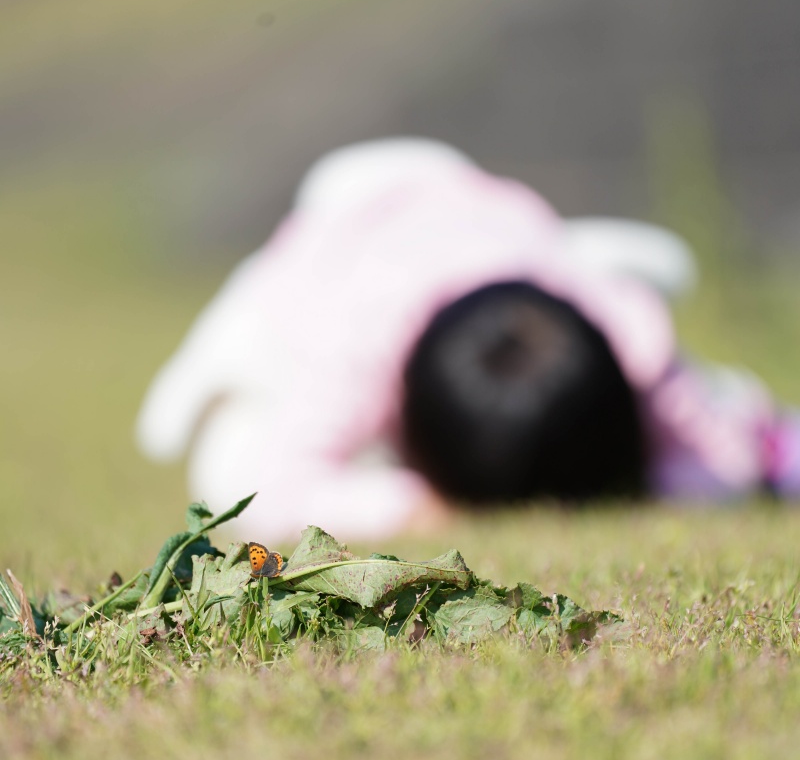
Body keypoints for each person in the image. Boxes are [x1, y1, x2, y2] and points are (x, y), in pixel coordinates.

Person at [136, 138, 800, 542]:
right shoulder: (356, 347)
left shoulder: (620, 325)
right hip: (333, 234)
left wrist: (669, 478)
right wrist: (413, 506)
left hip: (491, 221)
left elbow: (722, 459)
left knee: (687, 363)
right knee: (244, 352)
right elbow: (273, 492)